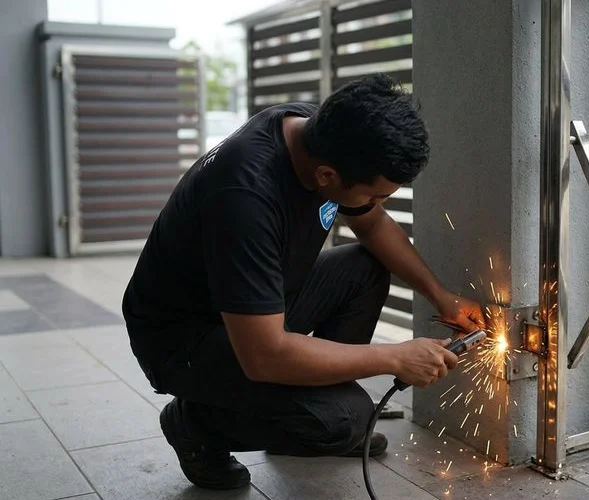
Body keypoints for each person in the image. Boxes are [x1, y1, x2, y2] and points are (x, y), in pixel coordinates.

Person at [121, 73, 485, 490]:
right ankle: (194, 424)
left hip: (251, 308)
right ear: (327, 176)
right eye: (375, 196)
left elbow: (372, 226)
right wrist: (394, 358)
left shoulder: (321, 132)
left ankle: (297, 411)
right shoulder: (244, 197)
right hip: (182, 340)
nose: (377, 205)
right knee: (344, 420)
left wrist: (441, 296)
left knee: (363, 268)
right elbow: (265, 355)